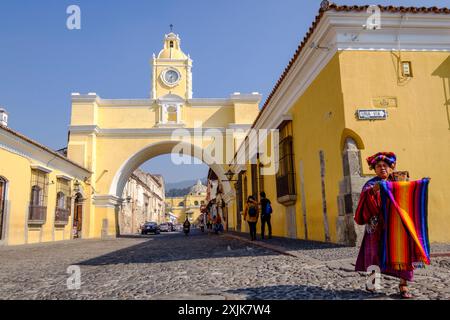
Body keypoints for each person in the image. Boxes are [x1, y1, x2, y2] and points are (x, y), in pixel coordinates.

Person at [354, 152, 413, 299]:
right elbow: (364, 203)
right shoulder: (370, 185)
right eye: (378, 166)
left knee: (402, 253)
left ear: (391, 168)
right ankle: (372, 283)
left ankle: (403, 285)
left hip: (396, 226)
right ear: (374, 170)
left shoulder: (398, 181)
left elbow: (409, 197)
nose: (382, 168)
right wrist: (374, 191)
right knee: (374, 254)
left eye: (385, 166)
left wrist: (420, 185)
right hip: (376, 228)